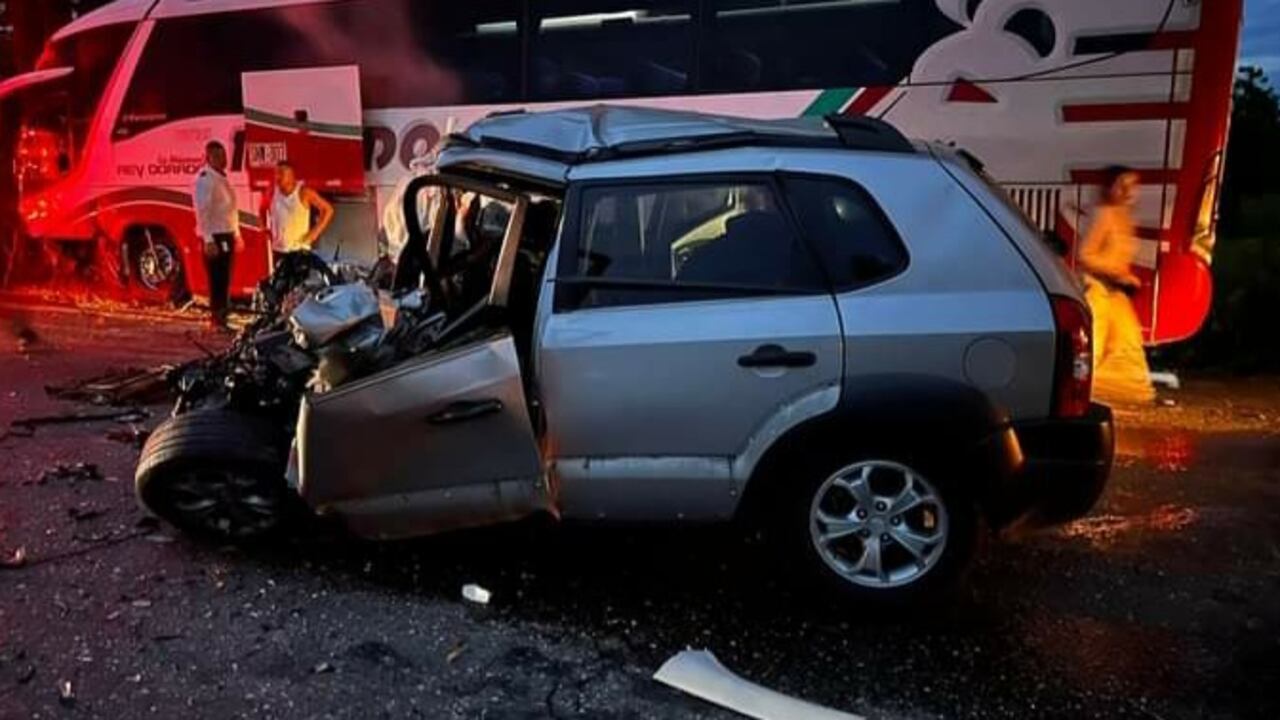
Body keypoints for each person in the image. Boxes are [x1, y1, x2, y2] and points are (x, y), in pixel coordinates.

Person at [1077, 166, 1156, 405]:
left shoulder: (1126, 219)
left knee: (1128, 345)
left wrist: (1126, 277)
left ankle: (1121, 394)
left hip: (1116, 293)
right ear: (1110, 187)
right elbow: (1085, 255)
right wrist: (1116, 273)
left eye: (1132, 186)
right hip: (1098, 289)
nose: (1128, 191)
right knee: (1094, 345)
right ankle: (1079, 393)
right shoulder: (1103, 214)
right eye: (1122, 185)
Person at [193, 140, 242, 330]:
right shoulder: (206, 179)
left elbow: (230, 210)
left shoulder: (221, 178)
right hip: (215, 237)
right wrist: (208, 239)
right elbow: (202, 211)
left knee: (225, 278)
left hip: (226, 235)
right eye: (217, 156)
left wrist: (236, 234)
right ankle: (217, 319)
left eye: (223, 155)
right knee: (217, 279)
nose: (223, 159)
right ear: (208, 158)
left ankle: (223, 316)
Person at [260, 160, 335, 263]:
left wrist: (315, 233)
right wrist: (264, 227)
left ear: (291, 175)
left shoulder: (304, 192)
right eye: (276, 173)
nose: (277, 177)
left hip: (299, 249)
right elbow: (262, 208)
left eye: (281, 173)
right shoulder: (271, 192)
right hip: (278, 249)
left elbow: (328, 210)